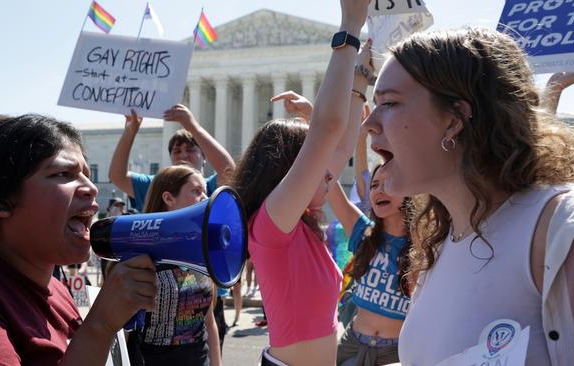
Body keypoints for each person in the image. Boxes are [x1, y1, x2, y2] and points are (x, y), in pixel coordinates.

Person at [362, 28, 574, 365]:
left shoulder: (566, 231)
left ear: (454, 120)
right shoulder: (435, 243)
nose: (368, 123)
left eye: (389, 103)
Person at [0, 114, 158, 365]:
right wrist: (100, 324)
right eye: (63, 173)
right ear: (1, 201)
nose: (91, 187)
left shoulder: (55, 288)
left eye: (87, 174)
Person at [229, 1, 372, 364]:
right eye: (316, 166)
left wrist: (360, 79)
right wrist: (350, 26)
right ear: (290, 171)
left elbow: (339, 144)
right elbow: (327, 131)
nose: (331, 173)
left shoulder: (297, 223)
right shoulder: (272, 225)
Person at [129, 164, 222, 366]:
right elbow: (122, 326)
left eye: (205, 191)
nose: (205, 199)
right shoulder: (141, 256)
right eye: (196, 191)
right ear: (168, 198)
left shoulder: (201, 251)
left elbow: (208, 321)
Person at [329, 165, 413, 366]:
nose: (379, 190)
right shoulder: (363, 233)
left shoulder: (427, 245)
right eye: (374, 185)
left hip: (396, 354)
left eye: (389, 183)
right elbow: (328, 180)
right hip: (352, 347)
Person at [109, 106, 235, 211]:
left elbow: (228, 171)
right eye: (177, 151)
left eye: (190, 150)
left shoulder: (210, 187)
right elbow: (117, 176)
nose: (184, 155)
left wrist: (193, 126)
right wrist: (130, 131)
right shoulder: (157, 186)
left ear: (204, 156)